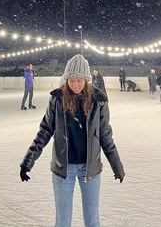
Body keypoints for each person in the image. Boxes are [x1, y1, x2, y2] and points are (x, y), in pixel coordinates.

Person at [19, 54, 125, 227]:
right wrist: (28, 161)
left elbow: (105, 135)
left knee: (92, 221)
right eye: (71, 81)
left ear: (87, 80)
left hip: (89, 169)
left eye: (80, 81)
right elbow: (45, 131)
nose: (75, 85)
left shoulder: (99, 101)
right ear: (66, 79)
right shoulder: (57, 99)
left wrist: (117, 166)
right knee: (62, 222)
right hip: (63, 168)